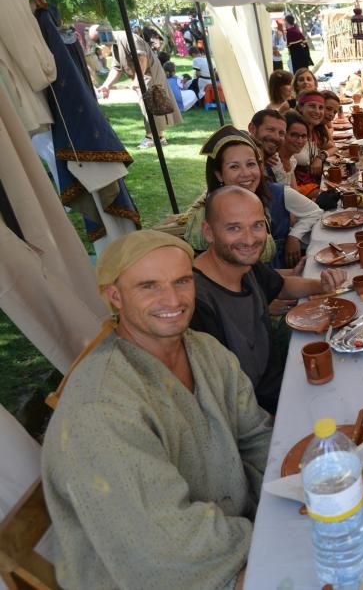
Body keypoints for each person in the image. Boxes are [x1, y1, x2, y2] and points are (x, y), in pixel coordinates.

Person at [41, 230, 272, 589]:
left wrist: (284, 505)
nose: (173, 299)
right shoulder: (100, 409)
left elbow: (256, 438)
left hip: (232, 539)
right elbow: (165, 548)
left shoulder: (205, 351)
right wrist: (271, 540)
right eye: (149, 286)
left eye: (182, 281)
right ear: (114, 296)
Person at [190, 186, 346, 413]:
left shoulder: (242, 263)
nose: (249, 239)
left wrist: (320, 284)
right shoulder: (197, 302)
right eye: (234, 228)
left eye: (257, 225)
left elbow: (282, 285)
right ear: (209, 232)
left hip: (281, 380)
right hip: (260, 411)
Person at [185, 125, 322, 269]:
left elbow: (259, 277)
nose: (246, 173)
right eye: (234, 167)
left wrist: (294, 236)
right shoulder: (206, 216)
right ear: (219, 174)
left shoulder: (272, 194)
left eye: (251, 164)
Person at [98, 30, 182, 148]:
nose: (99, 43)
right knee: (152, 105)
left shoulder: (129, 38)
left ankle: (151, 138)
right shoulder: (115, 44)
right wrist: (107, 85)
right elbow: (116, 68)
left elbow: (142, 59)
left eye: (98, 39)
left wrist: (137, 80)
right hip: (145, 76)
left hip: (150, 75)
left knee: (150, 105)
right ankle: (159, 137)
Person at [248, 108, 289, 185]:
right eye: (270, 130)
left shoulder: (274, 160)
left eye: (281, 133)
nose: (276, 137)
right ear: (252, 128)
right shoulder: (240, 157)